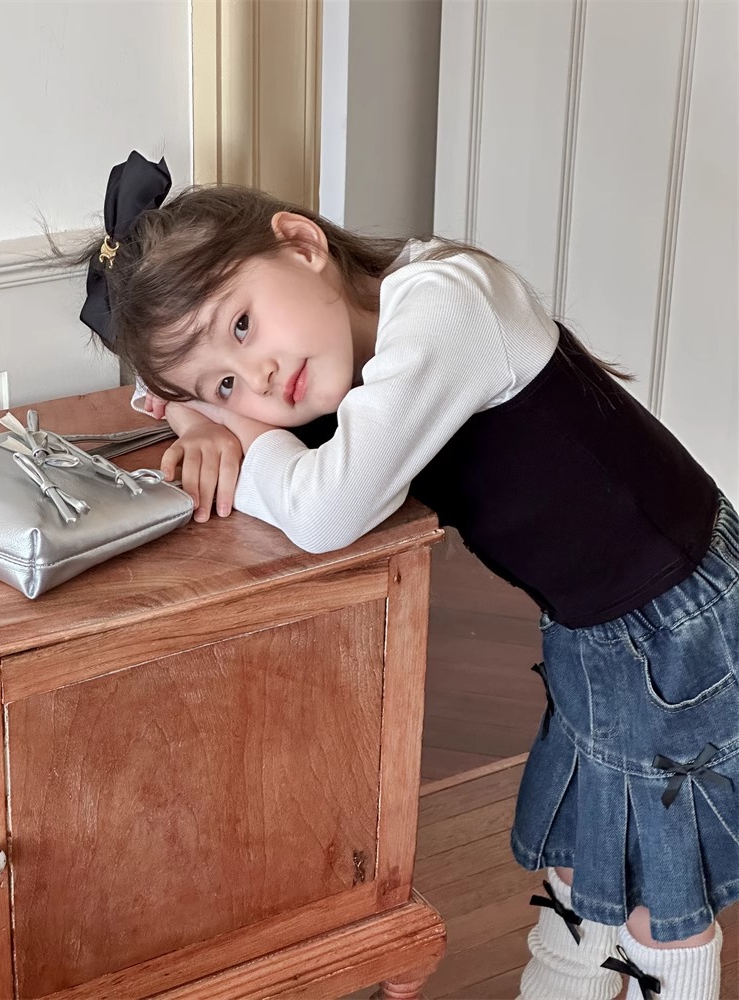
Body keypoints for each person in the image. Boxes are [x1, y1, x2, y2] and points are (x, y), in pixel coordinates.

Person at [75, 151, 737, 1000]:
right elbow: (228, 415)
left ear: (301, 242)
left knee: (660, 901)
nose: (261, 375)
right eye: (229, 383)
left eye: (241, 326)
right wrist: (197, 417)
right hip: (603, 626)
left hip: (674, 623)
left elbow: (326, 510)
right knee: (583, 859)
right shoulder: (347, 349)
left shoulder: (445, 306)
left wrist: (243, 431)